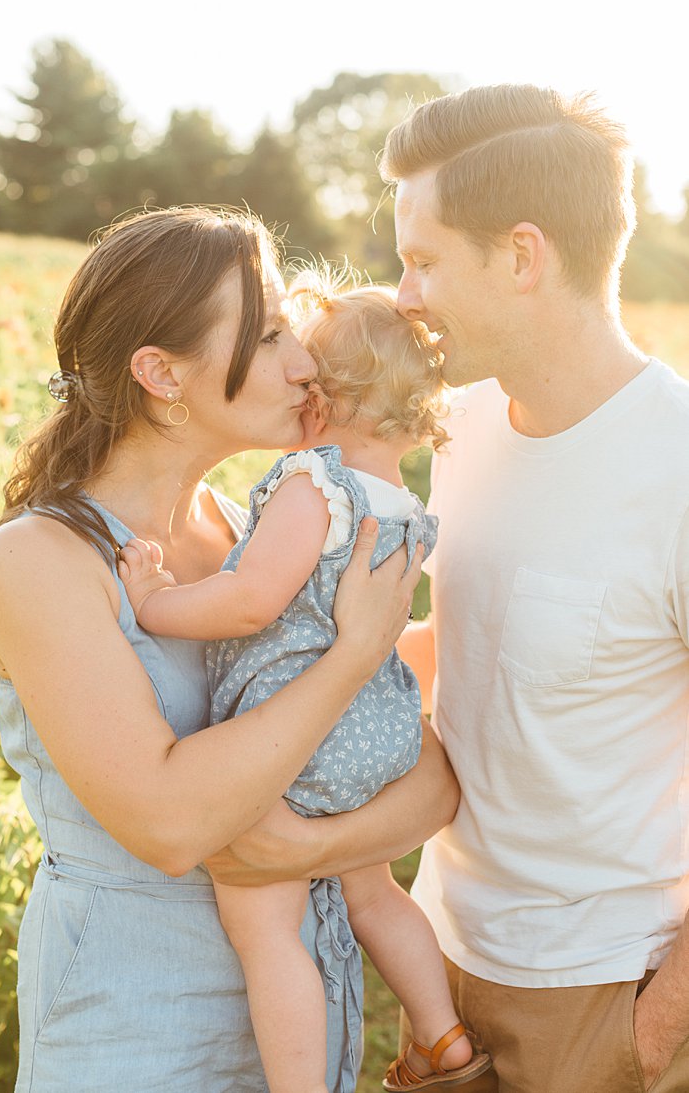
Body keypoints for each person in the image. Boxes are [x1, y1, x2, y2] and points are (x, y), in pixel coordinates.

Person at [0, 206, 460, 1092]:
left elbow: (428, 783)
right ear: (162, 373)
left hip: (304, 1028)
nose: (305, 362)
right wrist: (352, 658)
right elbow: (169, 825)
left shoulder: (256, 546)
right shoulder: (39, 559)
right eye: (270, 335)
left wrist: (311, 850)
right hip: (138, 1036)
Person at [384, 84, 689, 1092]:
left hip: (598, 994)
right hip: (437, 960)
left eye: (423, 260)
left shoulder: (677, 470)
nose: (404, 294)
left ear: (521, 256)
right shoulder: (463, 425)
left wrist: (645, 1039)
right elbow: (473, 640)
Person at [117, 267, 488, 1092]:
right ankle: (442, 1035)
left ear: (324, 397)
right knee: (377, 894)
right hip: (381, 731)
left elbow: (251, 603)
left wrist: (156, 602)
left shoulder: (313, 484)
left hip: (307, 738)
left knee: (265, 928)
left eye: (303, 367)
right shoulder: (399, 502)